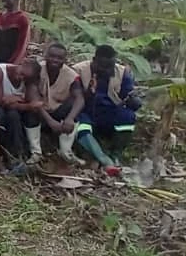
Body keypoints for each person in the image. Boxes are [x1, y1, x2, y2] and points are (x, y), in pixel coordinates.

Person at [74, 45, 141, 176]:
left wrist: (134, 101)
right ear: (94, 61)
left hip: (110, 112)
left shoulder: (122, 73)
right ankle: (105, 160)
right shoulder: (79, 70)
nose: (107, 70)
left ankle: (116, 155)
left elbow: (129, 97)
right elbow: (73, 97)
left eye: (110, 66)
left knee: (128, 117)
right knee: (82, 126)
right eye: (103, 66)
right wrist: (88, 92)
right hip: (85, 112)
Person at [30, 42, 85, 164]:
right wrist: (50, 121)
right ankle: (36, 152)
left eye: (59, 58)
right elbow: (32, 96)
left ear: (65, 60)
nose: (55, 60)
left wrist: (70, 118)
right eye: (52, 56)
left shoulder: (71, 75)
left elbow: (80, 98)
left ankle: (66, 151)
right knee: (30, 110)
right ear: (45, 56)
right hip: (40, 112)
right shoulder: (37, 69)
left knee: (73, 107)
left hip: (57, 110)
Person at [0, 58, 42, 162]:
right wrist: (26, 104)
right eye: (21, 74)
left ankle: (28, 152)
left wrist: (17, 99)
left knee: (20, 115)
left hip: (12, 108)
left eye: (25, 78)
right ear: (21, 63)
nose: (20, 78)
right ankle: (10, 153)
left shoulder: (28, 80)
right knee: (7, 115)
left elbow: (34, 101)